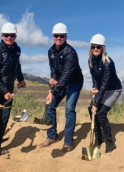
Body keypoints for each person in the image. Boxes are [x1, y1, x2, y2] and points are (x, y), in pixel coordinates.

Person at [0, 22, 26, 163]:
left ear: (15, 36)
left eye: (12, 35)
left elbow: (17, 66)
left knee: (4, 118)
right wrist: (4, 91)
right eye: (6, 35)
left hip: (8, 89)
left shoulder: (17, 50)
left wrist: (20, 79)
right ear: (2, 36)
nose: (9, 37)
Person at [39, 23, 83, 152]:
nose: (59, 38)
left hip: (74, 82)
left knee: (69, 109)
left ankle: (68, 142)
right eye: (56, 35)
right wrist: (53, 79)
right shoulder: (51, 51)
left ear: (66, 36)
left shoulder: (70, 52)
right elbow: (53, 69)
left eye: (61, 36)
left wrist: (54, 91)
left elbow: (66, 75)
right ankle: (52, 136)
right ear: (53, 36)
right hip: (60, 82)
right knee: (50, 105)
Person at [88, 34, 122, 153]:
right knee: (90, 109)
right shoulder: (91, 60)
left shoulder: (108, 63)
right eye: (93, 47)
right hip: (102, 88)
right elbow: (95, 79)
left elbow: (105, 84)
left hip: (113, 89)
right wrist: (94, 88)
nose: (95, 49)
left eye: (98, 47)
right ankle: (98, 138)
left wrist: (97, 103)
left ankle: (109, 142)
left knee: (101, 113)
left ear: (103, 48)